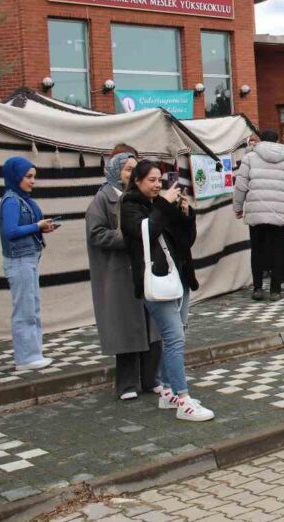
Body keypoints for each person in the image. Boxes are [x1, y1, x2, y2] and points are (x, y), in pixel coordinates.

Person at [120, 160, 213, 422]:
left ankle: (168, 391)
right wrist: (163, 204)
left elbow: (186, 240)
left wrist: (185, 214)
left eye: (159, 180)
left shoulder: (160, 204)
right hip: (156, 281)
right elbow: (145, 232)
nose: (157, 185)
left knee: (177, 333)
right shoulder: (130, 205)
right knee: (174, 338)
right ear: (137, 181)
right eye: (151, 180)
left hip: (179, 277)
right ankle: (183, 400)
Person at [87, 152, 163, 400]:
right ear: (115, 171)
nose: (131, 174)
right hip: (119, 273)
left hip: (145, 270)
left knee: (152, 326)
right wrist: (128, 238)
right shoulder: (102, 200)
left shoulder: (141, 198)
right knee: (128, 329)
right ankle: (128, 385)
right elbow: (96, 234)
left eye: (134, 169)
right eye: (127, 169)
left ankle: (152, 379)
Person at [0, 157, 58, 371]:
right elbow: (11, 232)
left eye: (34, 177)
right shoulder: (12, 200)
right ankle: (26, 358)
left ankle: (33, 354)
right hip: (19, 260)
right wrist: (36, 226)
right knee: (25, 309)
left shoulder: (20, 199)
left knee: (31, 307)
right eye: (28, 176)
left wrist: (41, 228)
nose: (32, 181)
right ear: (16, 177)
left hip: (28, 258)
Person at [233, 129, 284, 301]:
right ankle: (275, 290)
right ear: (277, 140)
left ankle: (257, 288)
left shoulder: (249, 158)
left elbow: (241, 185)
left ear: (261, 140)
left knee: (257, 251)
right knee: (278, 251)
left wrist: (238, 207)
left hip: (256, 211)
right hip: (279, 214)